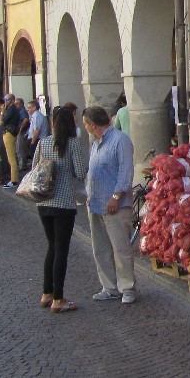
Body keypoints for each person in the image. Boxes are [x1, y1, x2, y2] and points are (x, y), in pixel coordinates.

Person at [83, 105, 137, 304]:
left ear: (92, 124)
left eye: (85, 124)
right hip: (96, 203)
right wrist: (89, 194)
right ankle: (109, 286)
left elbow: (125, 171)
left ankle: (127, 287)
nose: (85, 127)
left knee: (120, 247)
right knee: (101, 248)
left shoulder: (120, 140)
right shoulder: (95, 143)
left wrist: (116, 196)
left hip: (115, 204)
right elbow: (92, 172)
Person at [37, 107, 88, 313]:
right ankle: (58, 298)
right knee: (61, 250)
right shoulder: (73, 144)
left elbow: (36, 166)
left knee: (51, 247)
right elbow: (79, 171)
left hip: (44, 201)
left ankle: (46, 292)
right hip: (64, 202)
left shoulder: (44, 142)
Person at [1, 94, 22, 187]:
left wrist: (2, 112)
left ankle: (14, 180)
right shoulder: (12, 109)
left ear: (12, 100)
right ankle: (13, 179)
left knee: (11, 157)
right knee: (11, 157)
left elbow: (1, 122)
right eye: (4, 99)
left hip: (9, 132)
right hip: (10, 132)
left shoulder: (11, 109)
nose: (5, 101)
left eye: (7, 99)